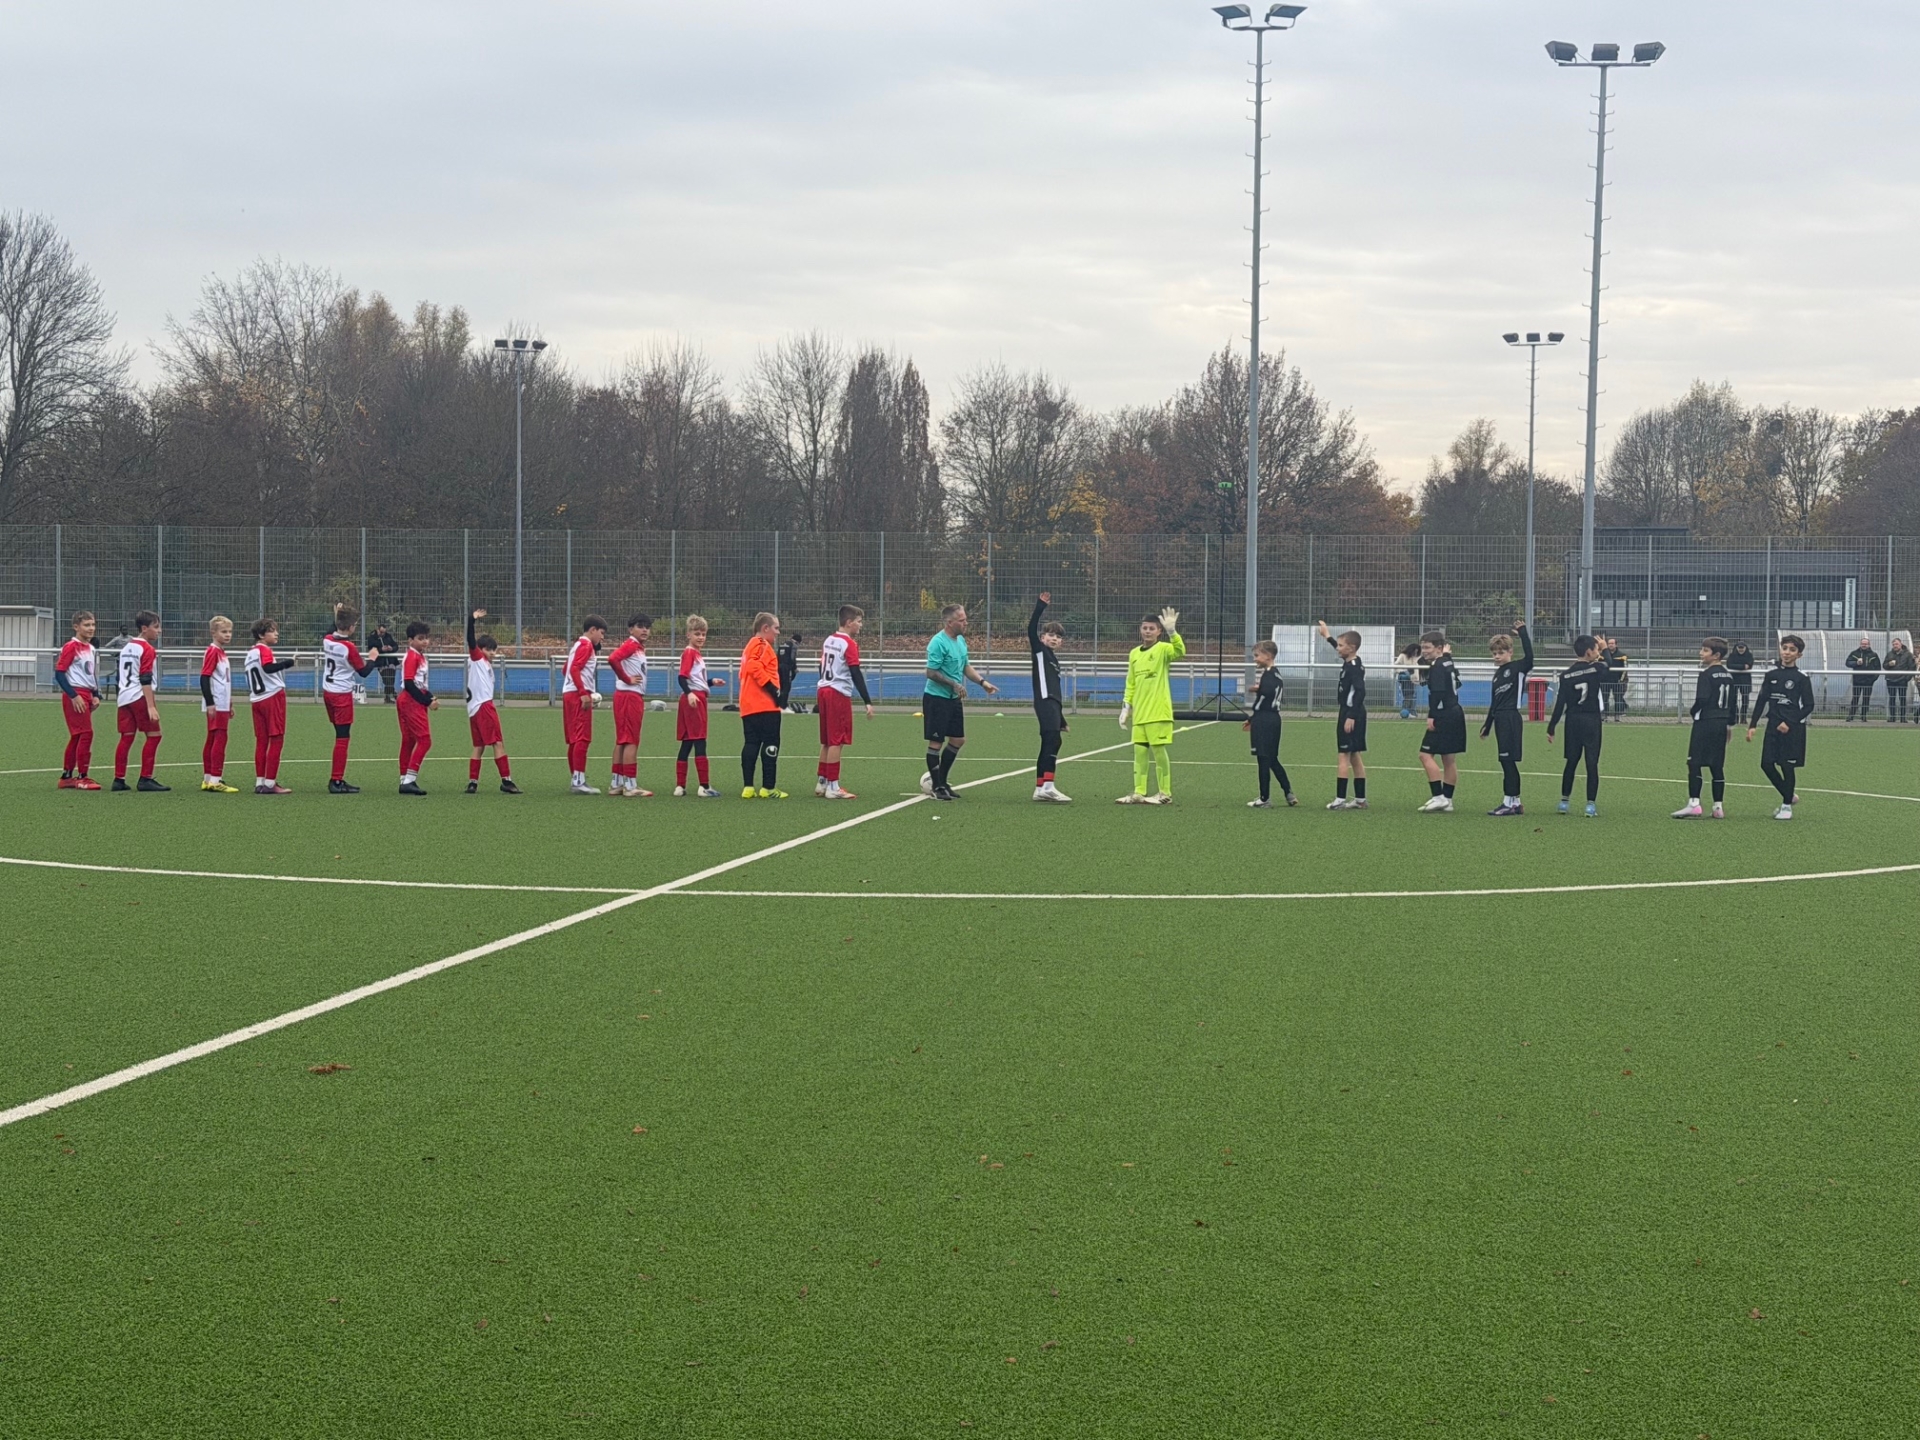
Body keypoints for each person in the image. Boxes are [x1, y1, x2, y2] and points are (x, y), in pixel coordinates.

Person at [921, 604, 997, 801]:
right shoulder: (938, 642)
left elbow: (966, 666)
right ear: (949, 622)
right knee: (936, 742)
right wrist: (953, 684)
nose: (966, 623)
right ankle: (936, 786)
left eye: (965, 619)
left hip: (953, 699)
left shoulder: (961, 641)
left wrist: (983, 682)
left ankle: (942, 782)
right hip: (936, 698)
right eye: (962, 620)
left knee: (957, 740)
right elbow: (931, 672)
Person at [1118, 607, 1184, 805]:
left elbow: (1180, 651)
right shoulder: (1134, 654)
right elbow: (1131, 682)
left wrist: (1173, 632)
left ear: (1159, 631)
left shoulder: (1163, 649)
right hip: (1140, 714)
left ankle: (1165, 794)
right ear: (1140, 630)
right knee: (1139, 753)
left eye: (1152, 628)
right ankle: (1139, 792)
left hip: (1158, 712)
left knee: (1158, 751)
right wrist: (1126, 707)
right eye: (1145, 628)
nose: (1147, 631)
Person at [1746, 634, 1814, 820]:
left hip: (1792, 729)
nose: (1787, 653)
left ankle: (1786, 806)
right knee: (1766, 764)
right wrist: (1752, 725)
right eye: (1785, 648)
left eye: (1792, 650)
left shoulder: (1801, 678)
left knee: (1786, 765)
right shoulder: (1771, 675)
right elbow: (1762, 700)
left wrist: (1790, 722)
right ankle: (1788, 794)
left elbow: (1808, 705)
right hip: (1773, 726)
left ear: (1799, 655)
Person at [321, 603, 384, 794]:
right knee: (343, 737)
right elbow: (363, 672)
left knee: (339, 734)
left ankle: (337, 778)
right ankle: (336, 780)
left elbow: (332, 630)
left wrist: (337, 615)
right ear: (350, 627)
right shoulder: (349, 647)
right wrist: (373, 658)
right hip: (341, 694)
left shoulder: (327, 639)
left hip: (328, 692)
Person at [1545, 635, 1609, 817]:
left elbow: (1560, 703)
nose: (1597, 652)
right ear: (1589, 652)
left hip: (1572, 721)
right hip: (1591, 720)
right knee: (1591, 762)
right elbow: (1609, 666)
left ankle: (1564, 802)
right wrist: (1605, 649)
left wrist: (1551, 727)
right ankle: (1590, 805)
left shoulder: (1566, 675)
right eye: (1596, 649)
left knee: (1571, 761)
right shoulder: (1596, 669)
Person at [816, 605, 875, 800]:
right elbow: (855, 673)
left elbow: (821, 666)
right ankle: (833, 786)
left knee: (827, 739)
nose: (861, 625)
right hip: (837, 693)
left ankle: (822, 781)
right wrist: (867, 701)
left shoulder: (829, 640)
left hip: (823, 689)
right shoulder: (849, 644)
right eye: (858, 621)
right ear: (849, 623)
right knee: (837, 740)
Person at [1673, 637, 1735, 820]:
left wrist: (1693, 712)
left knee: (1694, 763)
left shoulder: (1706, 675)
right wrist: (1729, 724)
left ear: (1716, 655)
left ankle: (1694, 804)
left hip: (1706, 722)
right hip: (1722, 723)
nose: (1701, 653)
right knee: (1717, 765)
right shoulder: (1728, 676)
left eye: (1705, 650)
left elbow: (1702, 699)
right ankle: (1718, 807)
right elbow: (1733, 703)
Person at [1480, 622, 1534, 816]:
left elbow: (1530, 658)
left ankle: (1509, 801)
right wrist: (1487, 725)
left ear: (1510, 652)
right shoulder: (1497, 675)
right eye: (1494, 653)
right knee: (1505, 761)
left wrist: (1523, 633)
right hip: (1500, 719)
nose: (1496, 656)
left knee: (1508, 761)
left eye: (1500, 653)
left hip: (1511, 717)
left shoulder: (1518, 668)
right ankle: (1515, 803)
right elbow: (1494, 702)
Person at [464, 609, 520, 794]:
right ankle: (506, 780)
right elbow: (471, 640)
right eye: (489, 649)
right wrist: (472, 620)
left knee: (478, 746)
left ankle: (473, 782)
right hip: (484, 706)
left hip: (474, 709)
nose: (493, 653)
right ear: (480, 650)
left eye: (494, 650)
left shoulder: (483, 664)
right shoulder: (477, 659)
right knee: (498, 742)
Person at [112, 610, 167, 792]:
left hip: (124, 696)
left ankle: (118, 779)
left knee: (126, 737)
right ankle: (145, 778)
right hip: (139, 696)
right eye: (156, 627)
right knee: (155, 736)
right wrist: (150, 706)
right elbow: (145, 678)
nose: (159, 631)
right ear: (144, 628)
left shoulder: (127, 647)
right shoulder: (147, 649)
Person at [1317, 620, 1368, 809]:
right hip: (1353, 712)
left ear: (1351, 648)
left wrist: (1351, 716)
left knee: (1343, 755)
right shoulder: (1353, 661)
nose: (1337, 649)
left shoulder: (1353, 667)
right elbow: (1341, 650)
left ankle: (1340, 799)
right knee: (1355, 756)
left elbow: (1360, 691)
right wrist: (1328, 636)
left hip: (1351, 712)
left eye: (1340, 646)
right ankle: (1360, 800)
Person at [674, 615, 724, 797]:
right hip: (694, 700)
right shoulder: (689, 653)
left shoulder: (696, 654)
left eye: (703, 634)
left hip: (694, 696)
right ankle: (704, 786)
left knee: (687, 742)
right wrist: (690, 693)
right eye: (697, 634)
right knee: (700, 740)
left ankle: (680, 786)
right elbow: (682, 677)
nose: (701, 637)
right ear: (688, 634)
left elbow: (695, 679)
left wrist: (711, 682)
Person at [1416, 629, 1465, 813]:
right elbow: (1457, 683)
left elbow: (1437, 693)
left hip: (1444, 714)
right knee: (1448, 759)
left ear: (1438, 648)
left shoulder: (1437, 666)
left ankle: (1438, 797)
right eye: (1422, 647)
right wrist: (1447, 655)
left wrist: (1432, 715)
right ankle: (1448, 800)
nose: (1424, 651)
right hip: (1455, 712)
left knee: (1425, 755)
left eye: (1427, 647)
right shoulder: (1447, 662)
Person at [1028, 592, 1071, 803]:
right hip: (1044, 702)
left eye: (1058, 637)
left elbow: (1055, 689)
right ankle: (1048, 786)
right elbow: (1031, 628)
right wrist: (1040, 607)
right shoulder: (1039, 651)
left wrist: (1061, 718)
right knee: (1053, 740)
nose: (1054, 639)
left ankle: (1040, 787)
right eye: (1051, 635)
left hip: (1052, 704)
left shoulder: (1054, 660)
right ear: (1043, 637)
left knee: (1051, 740)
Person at [244, 618, 296, 794]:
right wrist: (287, 663)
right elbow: (267, 667)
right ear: (261, 635)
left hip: (256, 699)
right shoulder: (264, 649)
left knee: (261, 740)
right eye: (272, 631)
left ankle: (260, 781)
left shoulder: (250, 653)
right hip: (272, 697)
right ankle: (270, 783)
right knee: (277, 739)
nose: (276, 634)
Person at [740, 612, 788, 798]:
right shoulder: (761, 644)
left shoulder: (749, 646)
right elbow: (754, 666)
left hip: (748, 705)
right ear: (765, 628)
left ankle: (748, 787)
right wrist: (773, 690)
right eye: (776, 628)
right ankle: (768, 787)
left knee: (751, 743)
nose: (778, 632)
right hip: (765, 705)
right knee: (771, 743)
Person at [607, 613, 654, 798]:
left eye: (647, 627)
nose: (644, 630)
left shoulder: (637, 647)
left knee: (622, 740)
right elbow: (613, 659)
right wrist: (627, 679)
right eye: (640, 626)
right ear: (630, 629)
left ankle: (616, 783)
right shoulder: (632, 645)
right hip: (629, 696)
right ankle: (630, 785)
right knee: (631, 740)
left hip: (626, 696)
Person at [1244, 639, 1294, 808]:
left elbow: (1264, 698)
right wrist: (1260, 689)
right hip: (1275, 719)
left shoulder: (1268, 675)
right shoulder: (1277, 674)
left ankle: (1264, 798)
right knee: (1272, 759)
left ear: (1268, 655)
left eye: (1257, 655)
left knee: (1263, 759)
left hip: (1264, 719)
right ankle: (1288, 792)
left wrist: (1252, 718)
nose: (1255, 659)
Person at [55, 610, 102, 790]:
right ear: (76, 627)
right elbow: (60, 674)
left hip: (86, 693)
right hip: (76, 693)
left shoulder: (91, 648)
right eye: (86, 625)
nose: (91, 628)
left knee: (77, 735)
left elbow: (91, 674)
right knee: (86, 733)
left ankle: (66, 776)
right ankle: (82, 777)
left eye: (93, 624)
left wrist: (95, 694)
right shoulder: (71, 647)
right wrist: (74, 696)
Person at [561, 615, 608, 794]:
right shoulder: (587, 645)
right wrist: (583, 692)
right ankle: (578, 782)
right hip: (577, 694)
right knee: (582, 737)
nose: (602, 637)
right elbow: (574, 669)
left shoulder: (577, 645)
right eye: (601, 633)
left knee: (575, 739)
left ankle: (576, 778)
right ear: (592, 630)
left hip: (568, 693)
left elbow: (565, 669)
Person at [396, 620, 439, 795]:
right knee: (425, 740)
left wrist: (429, 696)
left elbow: (419, 683)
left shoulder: (420, 656)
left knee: (409, 740)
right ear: (410, 640)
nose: (425, 642)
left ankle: (404, 778)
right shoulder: (412, 657)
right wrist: (426, 702)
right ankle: (409, 780)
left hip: (409, 699)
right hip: (410, 700)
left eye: (426, 638)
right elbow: (409, 684)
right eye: (421, 638)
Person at [198, 616, 240, 793]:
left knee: (213, 737)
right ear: (213, 633)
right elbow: (204, 677)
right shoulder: (213, 651)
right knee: (219, 738)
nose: (228, 635)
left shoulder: (221, 652)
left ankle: (208, 779)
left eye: (229, 631)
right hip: (216, 702)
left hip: (222, 702)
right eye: (223, 631)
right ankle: (215, 779)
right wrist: (210, 702)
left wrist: (229, 702)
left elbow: (223, 680)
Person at [1844, 634, 1880, 721]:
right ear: (1860, 644)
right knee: (1855, 698)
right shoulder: (1854, 653)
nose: (1864, 645)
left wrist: (1873, 679)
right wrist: (1856, 663)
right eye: (1862, 643)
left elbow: (1878, 668)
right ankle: (1851, 715)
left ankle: (1863, 716)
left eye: (1866, 644)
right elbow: (1848, 663)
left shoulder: (1874, 655)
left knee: (1866, 698)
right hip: (1857, 680)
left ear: (1869, 645)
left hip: (1868, 681)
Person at [1726, 639, 1756, 726]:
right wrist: (1743, 666)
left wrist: (1737, 667)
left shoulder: (1749, 655)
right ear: (1736, 648)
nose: (1741, 649)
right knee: (1733, 700)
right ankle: (1735, 718)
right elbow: (1729, 665)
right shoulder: (1732, 655)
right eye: (1739, 647)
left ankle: (1743, 718)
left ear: (1745, 648)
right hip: (1734, 680)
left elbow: (1749, 665)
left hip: (1745, 681)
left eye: (1742, 648)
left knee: (1745, 700)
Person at [1886, 636, 1916, 723]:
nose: (1895, 646)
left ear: (1901, 644)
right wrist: (1889, 664)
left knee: (1902, 699)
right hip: (1891, 680)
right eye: (1893, 644)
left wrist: (1906, 678)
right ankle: (1892, 717)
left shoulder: (1908, 654)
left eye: (1896, 644)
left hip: (1902, 680)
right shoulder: (1890, 654)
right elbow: (1884, 665)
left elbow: (1912, 667)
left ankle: (1903, 717)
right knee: (1892, 699)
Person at [1603, 634, 1631, 720]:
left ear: (1616, 644)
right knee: (1604, 698)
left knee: (1618, 698)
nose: (1610, 645)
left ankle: (1617, 716)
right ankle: (1604, 715)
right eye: (1609, 643)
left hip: (1617, 680)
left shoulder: (1622, 655)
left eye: (1612, 643)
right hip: (1605, 680)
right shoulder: (1602, 655)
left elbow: (1625, 669)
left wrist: (1621, 680)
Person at [372, 623, 399, 703]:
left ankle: (387, 698)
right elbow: (371, 648)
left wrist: (391, 648)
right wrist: (381, 649)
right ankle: (395, 695)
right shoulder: (373, 638)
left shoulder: (388, 636)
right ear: (378, 630)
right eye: (381, 632)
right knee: (387, 681)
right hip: (381, 664)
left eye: (384, 632)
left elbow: (396, 646)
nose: (383, 634)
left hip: (391, 663)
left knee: (391, 681)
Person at [1395, 643, 1420, 719]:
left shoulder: (1416, 657)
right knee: (1408, 695)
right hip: (1405, 677)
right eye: (1414, 651)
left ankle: (1411, 711)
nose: (1415, 653)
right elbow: (1396, 665)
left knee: (1413, 695)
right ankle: (1406, 711)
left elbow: (1417, 668)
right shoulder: (1403, 656)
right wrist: (1403, 671)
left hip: (1413, 678)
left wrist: (1416, 678)